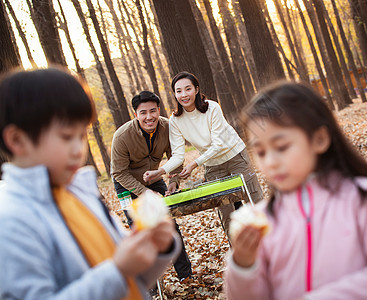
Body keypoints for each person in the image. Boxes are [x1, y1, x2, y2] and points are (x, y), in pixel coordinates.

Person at [0, 67, 181, 299]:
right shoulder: (11, 219)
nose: (79, 150)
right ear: (17, 140)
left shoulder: (82, 194)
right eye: (66, 137)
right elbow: (117, 273)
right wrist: (118, 270)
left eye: (81, 136)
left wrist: (159, 249)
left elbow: (133, 280)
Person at [225, 81, 367, 299]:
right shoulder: (264, 220)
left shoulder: (363, 196)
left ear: (319, 139)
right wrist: (242, 265)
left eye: (282, 147)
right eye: (260, 152)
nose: (271, 162)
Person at [143, 71, 264, 237]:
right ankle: (240, 254)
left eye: (188, 89)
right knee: (225, 211)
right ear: (174, 94)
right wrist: (161, 171)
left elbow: (219, 144)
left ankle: (272, 244)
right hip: (213, 166)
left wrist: (194, 164)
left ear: (196, 89)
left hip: (235, 156)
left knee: (254, 200)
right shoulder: (175, 120)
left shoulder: (212, 107)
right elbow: (178, 155)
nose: (184, 94)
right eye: (179, 91)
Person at [110, 91, 192, 282]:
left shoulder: (167, 127)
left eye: (153, 111)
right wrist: (145, 193)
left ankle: (186, 275)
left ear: (159, 110)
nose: (149, 117)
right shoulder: (121, 136)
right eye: (143, 112)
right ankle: (150, 284)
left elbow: (176, 157)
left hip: (154, 177)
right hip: (125, 183)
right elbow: (118, 173)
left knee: (169, 223)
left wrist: (173, 181)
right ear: (136, 114)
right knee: (139, 230)